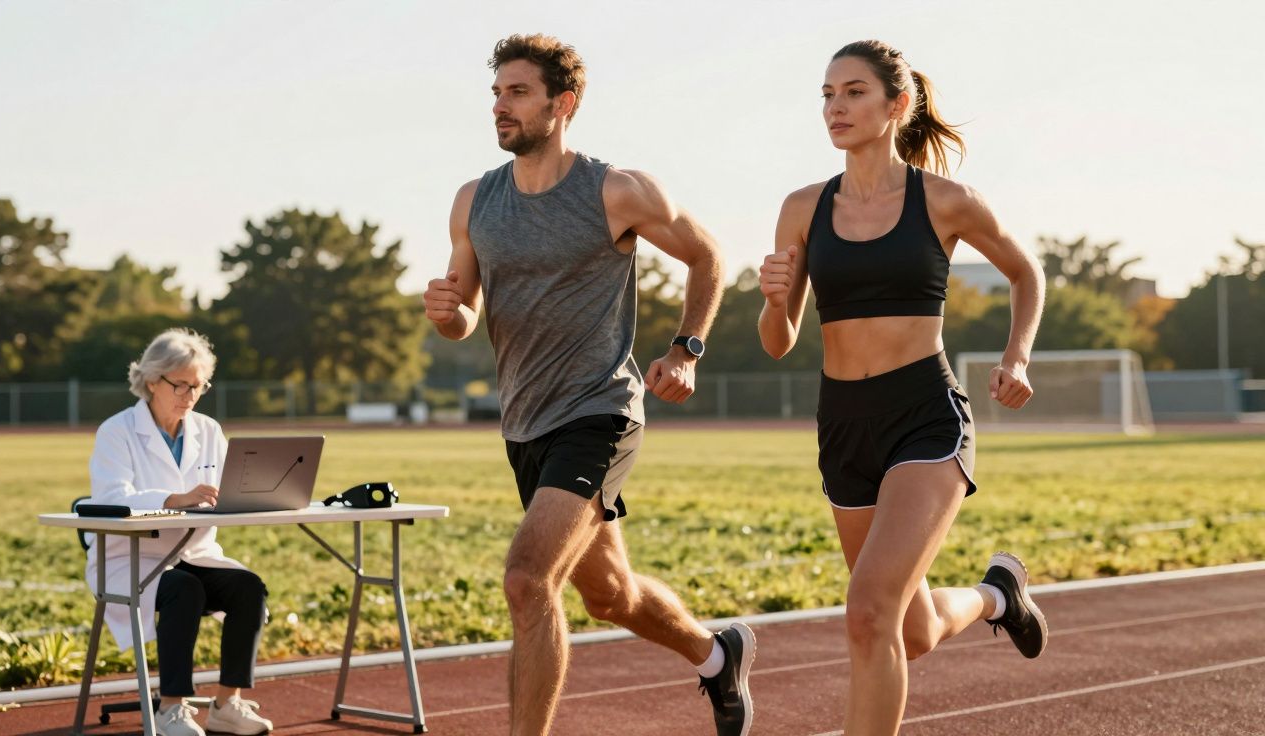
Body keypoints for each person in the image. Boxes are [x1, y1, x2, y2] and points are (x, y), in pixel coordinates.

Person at [422, 33, 754, 736]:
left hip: (600, 412)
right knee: (609, 595)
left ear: (562, 103)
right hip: (525, 424)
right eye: (495, 93)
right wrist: (450, 314)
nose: (499, 106)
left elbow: (707, 255)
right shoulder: (474, 201)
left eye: (516, 92)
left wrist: (687, 349)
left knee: (528, 580)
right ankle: (715, 656)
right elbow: (466, 313)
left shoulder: (615, 190)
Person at [756, 40, 1049, 734]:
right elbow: (779, 341)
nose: (836, 107)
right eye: (827, 95)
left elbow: (1024, 273)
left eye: (854, 92)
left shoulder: (946, 201)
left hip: (924, 417)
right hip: (844, 423)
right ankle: (995, 597)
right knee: (909, 630)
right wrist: (772, 300)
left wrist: (1019, 356)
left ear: (897, 104)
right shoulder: (802, 207)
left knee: (868, 613)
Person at [86, 328, 272, 736]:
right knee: (183, 589)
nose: (190, 395)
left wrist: (257, 496)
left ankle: (227, 704)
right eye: (180, 385)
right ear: (152, 380)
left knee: (248, 588)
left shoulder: (208, 430)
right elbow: (113, 497)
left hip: (194, 552)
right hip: (130, 560)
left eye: (199, 386)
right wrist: (175, 498)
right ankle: (172, 709)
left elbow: (227, 490)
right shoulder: (116, 432)